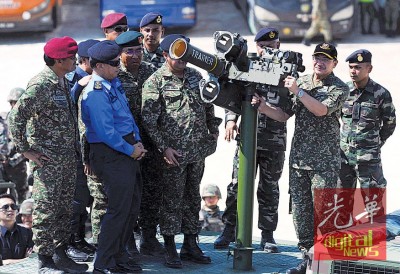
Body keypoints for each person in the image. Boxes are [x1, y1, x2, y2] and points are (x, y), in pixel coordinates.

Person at [252, 43, 349, 274]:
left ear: (334, 63)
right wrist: (263, 107)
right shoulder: (302, 82)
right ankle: (307, 259)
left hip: (323, 164)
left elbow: (321, 110)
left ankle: (324, 264)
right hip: (298, 161)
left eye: (326, 59)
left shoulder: (339, 88)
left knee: (323, 215)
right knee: (301, 214)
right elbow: (284, 115)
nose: (320, 62)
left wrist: (298, 91)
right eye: (317, 57)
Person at [8, 36, 89, 273]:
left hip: (65, 158)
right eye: (70, 58)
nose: (75, 61)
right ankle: (44, 259)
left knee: (64, 208)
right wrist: (25, 149)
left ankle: (60, 253)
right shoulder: (42, 84)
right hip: (48, 160)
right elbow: (16, 117)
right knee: (46, 209)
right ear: (57, 60)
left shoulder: (61, 80)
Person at [142, 34, 222, 269]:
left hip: (196, 152)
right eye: (177, 57)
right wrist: (163, 147)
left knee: (191, 199)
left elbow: (208, 105)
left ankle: (190, 243)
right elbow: (149, 121)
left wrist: (213, 131)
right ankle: (169, 246)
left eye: (185, 57)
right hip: (172, 155)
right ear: (165, 55)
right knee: (171, 200)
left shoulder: (195, 76)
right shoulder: (155, 82)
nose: (182, 61)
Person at [214, 27, 290, 253]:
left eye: (271, 46)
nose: (267, 50)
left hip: (274, 141)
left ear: (278, 46)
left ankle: (267, 235)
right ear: (257, 47)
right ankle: (229, 230)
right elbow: (233, 95)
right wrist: (230, 120)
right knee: (236, 186)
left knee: (269, 189)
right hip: (247, 140)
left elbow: (288, 106)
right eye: (262, 47)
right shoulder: (246, 66)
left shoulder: (286, 70)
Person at [81, 40, 147, 273]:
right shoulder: (96, 92)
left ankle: (119, 256)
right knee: (118, 210)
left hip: (126, 148)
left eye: (118, 62)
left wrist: (137, 141)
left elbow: (127, 119)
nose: (118, 66)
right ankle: (103, 263)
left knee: (131, 208)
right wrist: (131, 149)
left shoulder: (112, 83)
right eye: (113, 63)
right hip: (111, 153)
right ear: (97, 66)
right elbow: (105, 130)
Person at [115, 31, 163, 257]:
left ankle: (149, 237)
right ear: (120, 53)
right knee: (128, 194)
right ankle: (128, 242)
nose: (134, 55)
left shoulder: (152, 73)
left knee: (152, 191)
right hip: (124, 146)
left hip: (151, 143)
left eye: (138, 50)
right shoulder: (113, 76)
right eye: (129, 51)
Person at [339, 49, 396, 211]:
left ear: (369, 68)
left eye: (357, 67)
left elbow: (390, 123)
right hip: (344, 159)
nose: (353, 71)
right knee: (340, 209)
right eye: (350, 67)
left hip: (369, 161)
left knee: (374, 208)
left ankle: (373, 237)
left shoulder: (381, 94)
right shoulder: (344, 91)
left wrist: (375, 143)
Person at [65, 39, 99, 261]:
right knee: (75, 200)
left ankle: (78, 239)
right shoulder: (70, 79)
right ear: (85, 60)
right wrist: (78, 87)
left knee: (85, 197)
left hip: (87, 149)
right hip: (72, 150)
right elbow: (64, 106)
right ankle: (68, 244)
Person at [0, 88, 29, 204]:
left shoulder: (29, 122)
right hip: (1, 167)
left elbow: (29, 146)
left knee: (23, 198)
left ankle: (22, 220)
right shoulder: (2, 119)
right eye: (13, 102)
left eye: (18, 102)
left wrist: (12, 161)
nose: (15, 105)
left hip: (17, 167)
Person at [0, 194, 34, 266]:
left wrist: (5, 262)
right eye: (5, 207)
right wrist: (24, 260)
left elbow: (33, 259)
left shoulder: (27, 233)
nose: (10, 209)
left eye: (13, 206)